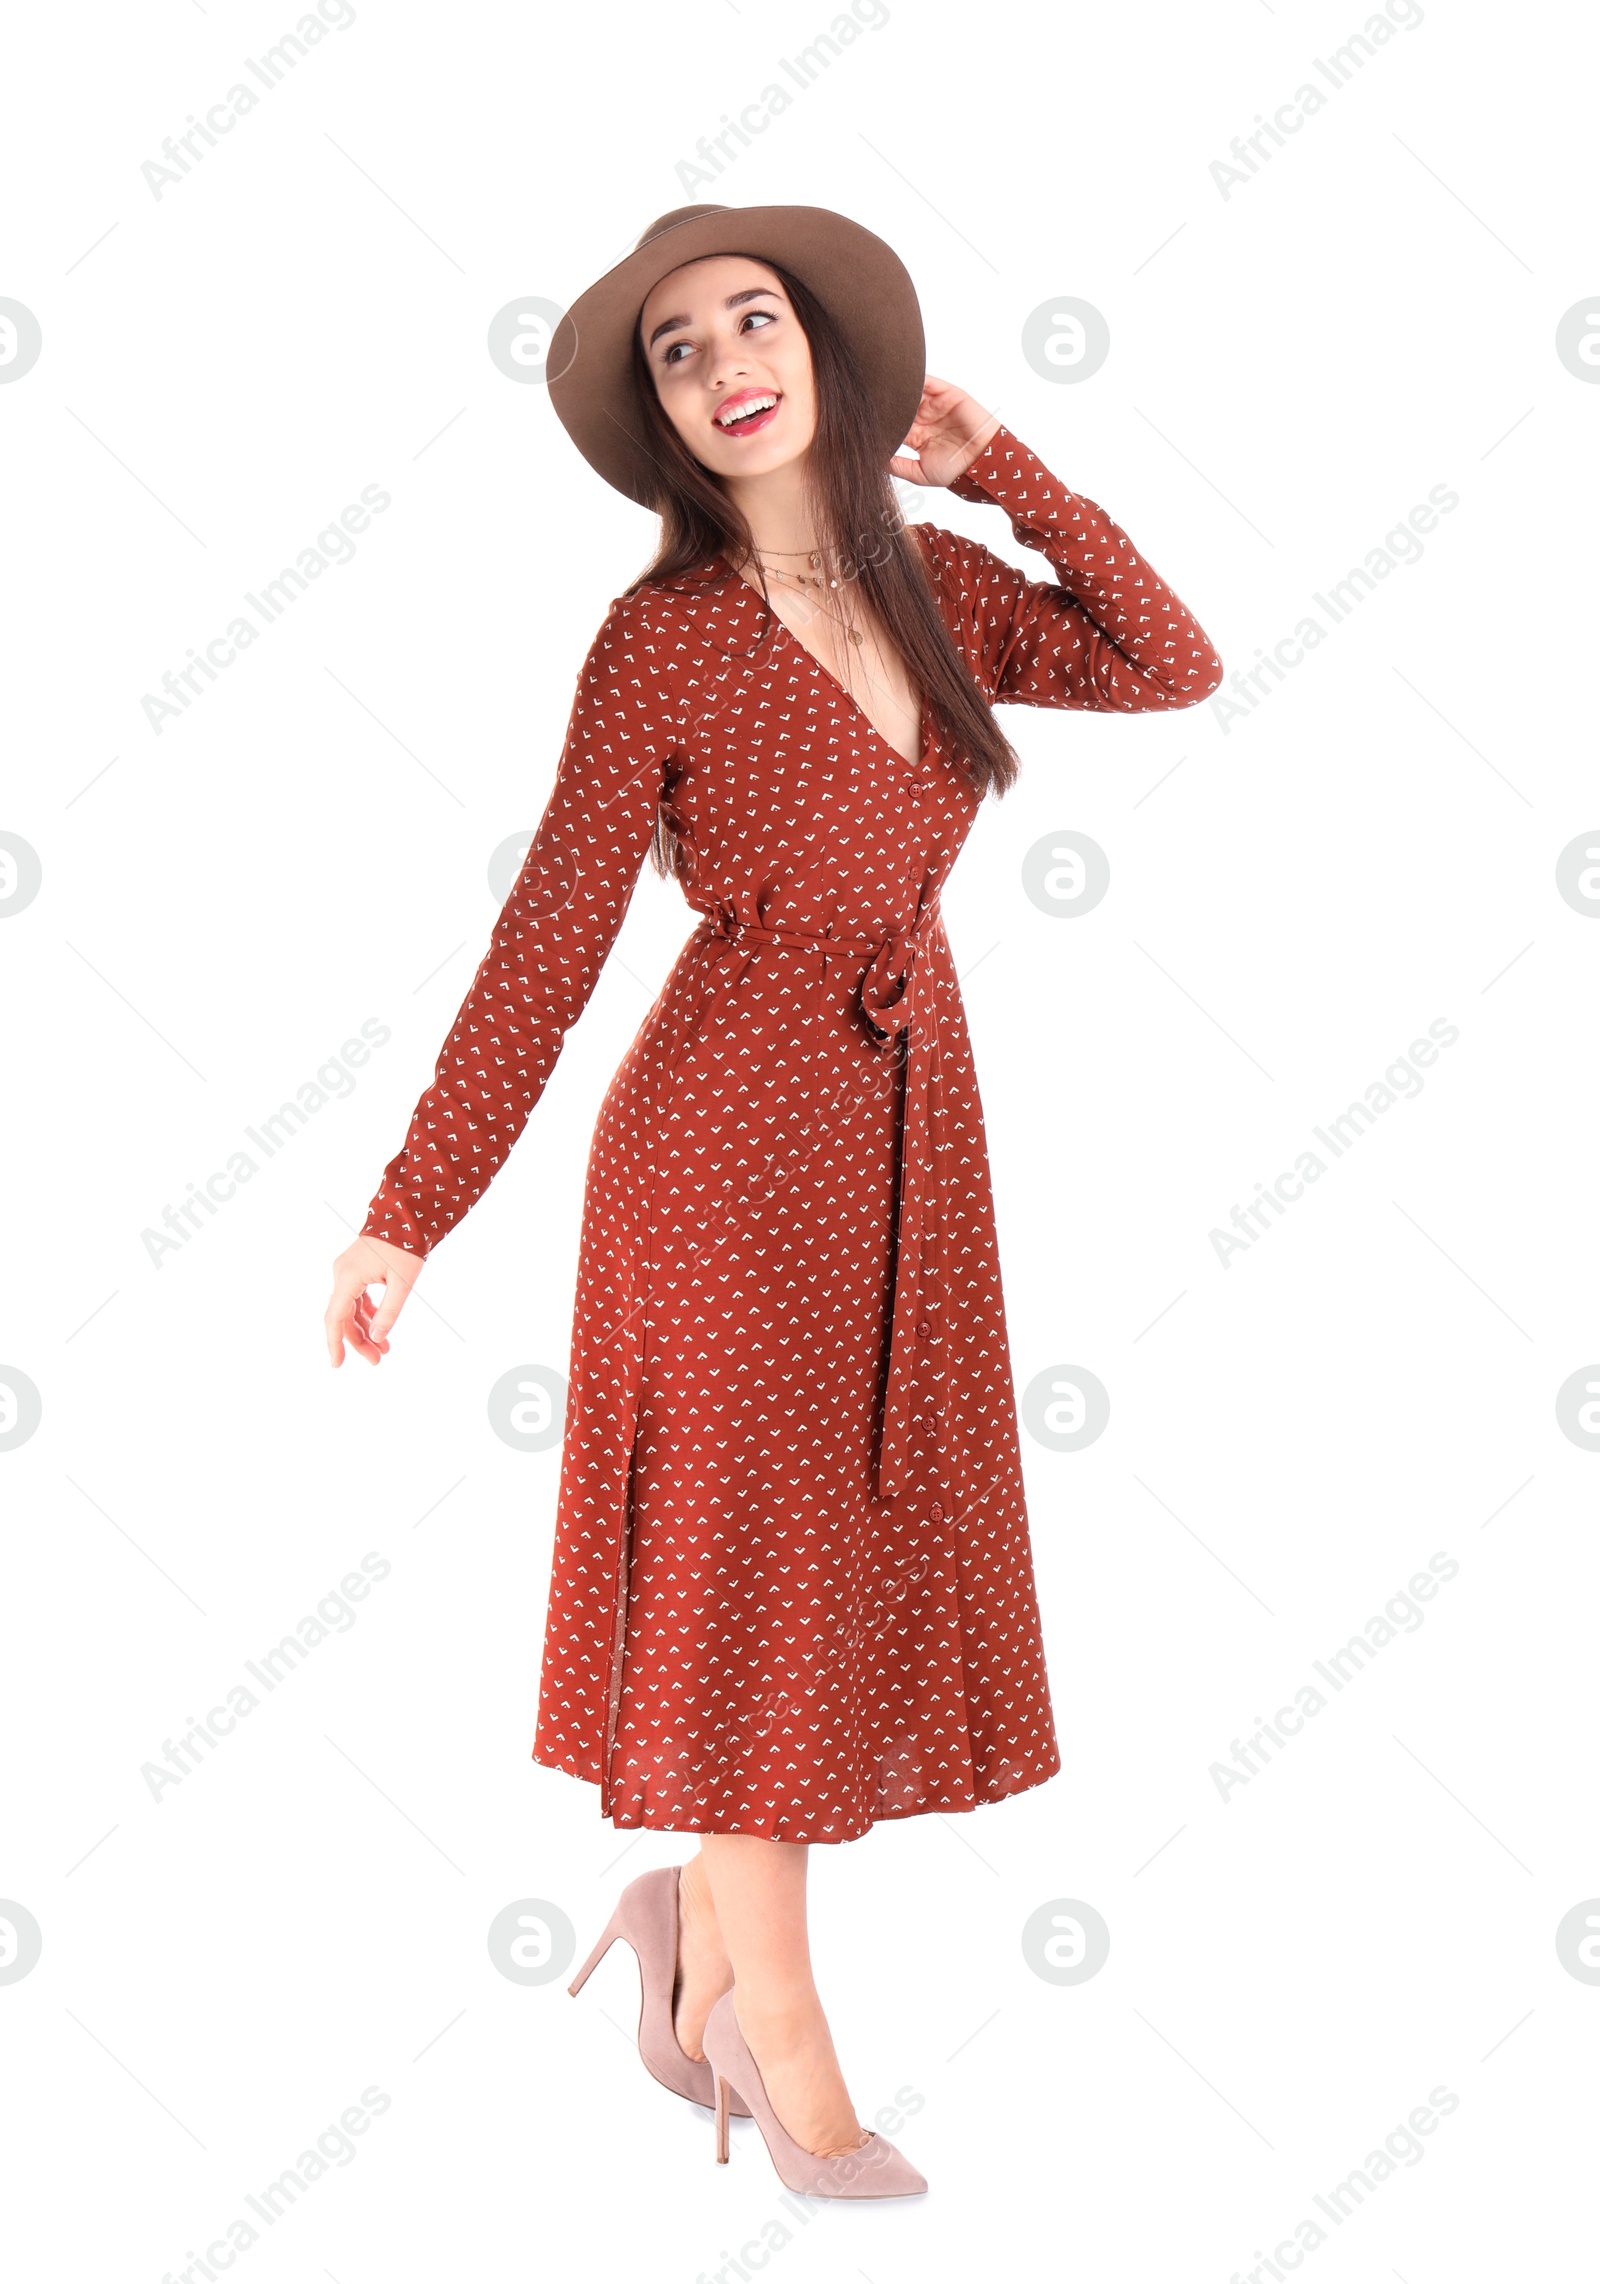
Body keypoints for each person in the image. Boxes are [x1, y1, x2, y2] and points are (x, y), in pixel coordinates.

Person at [323, 202, 1223, 2196]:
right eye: (674, 350)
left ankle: (694, 1933)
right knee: (746, 1582)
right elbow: (551, 933)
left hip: (906, 1140)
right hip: (715, 1155)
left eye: (751, 317)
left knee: (833, 1565)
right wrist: (409, 1206)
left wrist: (1012, 473)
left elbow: (1170, 660)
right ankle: (780, 2026)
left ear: (820, 349)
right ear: (663, 421)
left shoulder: (940, 593)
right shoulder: (660, 638)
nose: (722, 357)